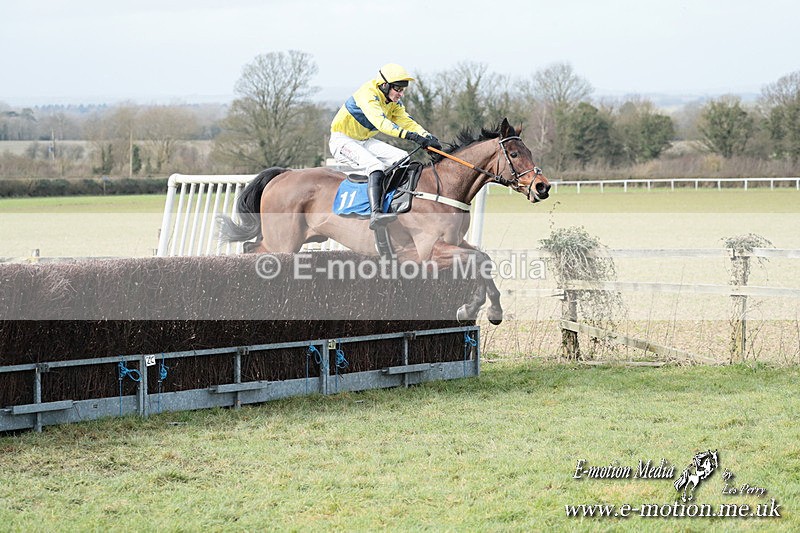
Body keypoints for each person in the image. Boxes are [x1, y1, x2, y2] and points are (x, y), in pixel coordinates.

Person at [329, 63, 441, 229]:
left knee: (403, 158)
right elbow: (382, 123)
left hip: (364, 140)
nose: (401, 94)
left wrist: (427, 136)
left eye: (403, 90)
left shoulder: (392, 101)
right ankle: (376, 213)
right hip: (342, 140)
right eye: (398, 89)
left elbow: (407, 121)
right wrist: (413, 137)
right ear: (384, 85)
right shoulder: (368, 95)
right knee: (376, 165)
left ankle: (389, 200)